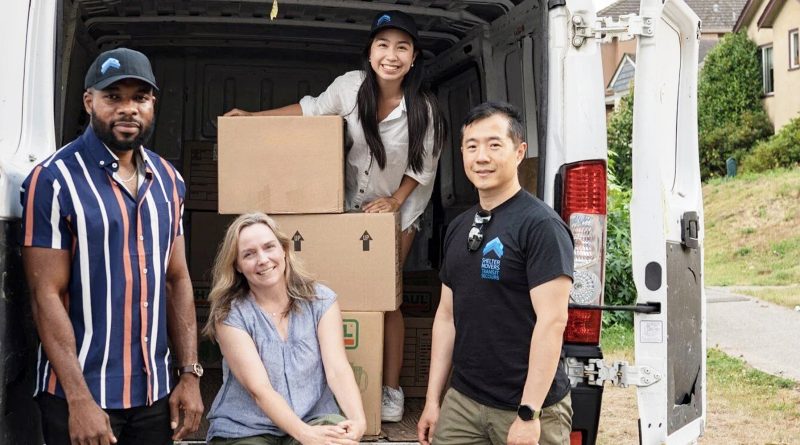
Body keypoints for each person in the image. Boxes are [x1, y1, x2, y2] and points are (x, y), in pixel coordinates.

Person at [223, 10, 446, 422]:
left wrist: (394, 203)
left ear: (414, 58)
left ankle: (390, 389)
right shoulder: (350, 87)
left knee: (384, 298)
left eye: (402, 47)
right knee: (332, 294)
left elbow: (424, 168)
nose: (391, 55)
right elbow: (309, 111)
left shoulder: (424, 109)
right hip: (347, 204)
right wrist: (253, 118)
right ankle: (325, 382)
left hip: (397, 211)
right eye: (383, 45)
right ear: (370, 52)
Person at [20, 47, 203, 444]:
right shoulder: (53, 181)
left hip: (154, 395)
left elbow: (177, 279)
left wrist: (189, 373)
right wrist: (79, 400)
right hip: (82, 395)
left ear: (153, 102)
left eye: (139, 97)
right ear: (89, 101)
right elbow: (45, 296)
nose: (128, 109)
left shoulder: (169, 181)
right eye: (113, 97)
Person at [417, 102, 575, 445]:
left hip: (525, 406)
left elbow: (553, 321)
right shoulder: (459, 227)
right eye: (471, 146)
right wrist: (433, 401)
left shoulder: (541, 226)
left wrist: (529, 413)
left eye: (494, 145)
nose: (481, 157)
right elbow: (446, 317)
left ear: (519, 152)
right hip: (464, 401)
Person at [202, 213, 367, 445]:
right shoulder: (230, 313)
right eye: (249, 254)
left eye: (269, 247)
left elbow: (337, 370)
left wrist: (359, 421)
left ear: (284, 250)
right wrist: (304, 435)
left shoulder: (320, 300)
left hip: (314, 417)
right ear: (237, 266)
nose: (262, 259)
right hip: (247, 426)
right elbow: (259, 389)